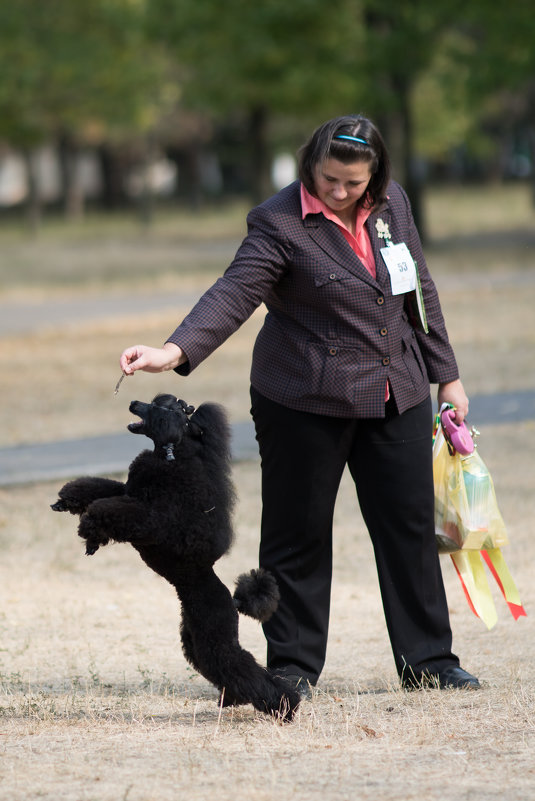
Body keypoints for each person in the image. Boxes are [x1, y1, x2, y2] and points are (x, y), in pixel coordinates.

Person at [120, 114, 480, 695]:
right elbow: (235, 291)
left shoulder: (394, 206)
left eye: (352, 183)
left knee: (408, 527)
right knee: (298, 531)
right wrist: (174, 350)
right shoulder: (280, 220)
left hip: (398, 391)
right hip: (305, 397)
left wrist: (448, 376)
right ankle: (292, 665)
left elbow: (419, 289)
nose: (338, 192)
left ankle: (431, 662)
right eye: (328, 178)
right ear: (310, 162)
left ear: (375, 176)